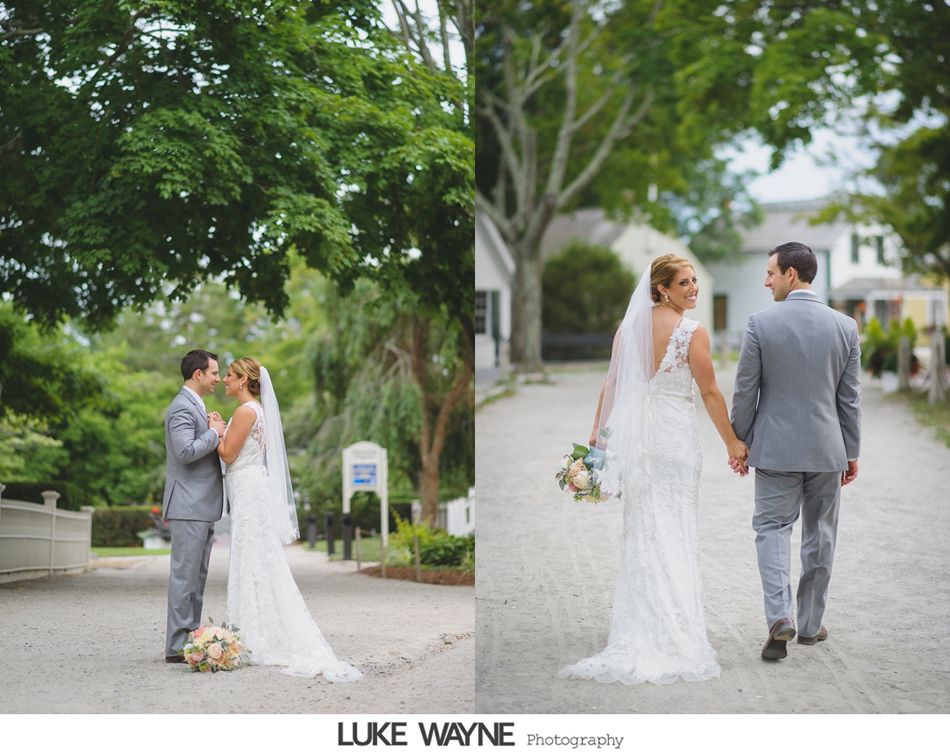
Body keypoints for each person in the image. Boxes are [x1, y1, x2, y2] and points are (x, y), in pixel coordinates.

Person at [559, 254, 747, 685]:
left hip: (642, 446)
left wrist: (598, 439)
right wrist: (733, 443)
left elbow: (612, 383)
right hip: (674, 443)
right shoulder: (691, 332)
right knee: (674, 530)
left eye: (695, 280)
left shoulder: (629, 330)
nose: (694, 288)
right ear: (661, 288)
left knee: (645, 531)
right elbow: (711, 392)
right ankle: (674, 629)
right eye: (684, 282)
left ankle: (643, 624)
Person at [730, 241, 861, 661]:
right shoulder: (845, 327)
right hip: (828, 449)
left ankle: (778, 617)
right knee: (820, 535)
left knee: (771, 530)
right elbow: (849, 398)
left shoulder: (759, 324)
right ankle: (808, 626)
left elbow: (745, 391)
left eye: (770, 273)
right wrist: (851, 449)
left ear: (791, 274)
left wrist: (740, 442)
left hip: (775, 450)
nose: (765, 281)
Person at [216, 357, 361, 681]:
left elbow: (227, 454)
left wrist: (215, 431)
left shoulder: (245, 411)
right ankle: (251, 633)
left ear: (243, 380)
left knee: (250, 557)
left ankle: (251, 637)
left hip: (249, 488)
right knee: (257, 559)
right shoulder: (258, 411)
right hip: (250, 486)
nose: (224, 380)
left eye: (229, 375)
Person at [163, 349, 227, 663]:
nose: (218, 378)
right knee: (184, 578)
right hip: (188, 505)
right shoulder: (181, 408)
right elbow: (185, 451)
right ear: (198, 374)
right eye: (214, 372)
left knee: (196, 579)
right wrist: (215, 433)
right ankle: (176, 647)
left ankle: (190, 639)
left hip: (201, 506)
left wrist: (212, 426)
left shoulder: (196, 406)